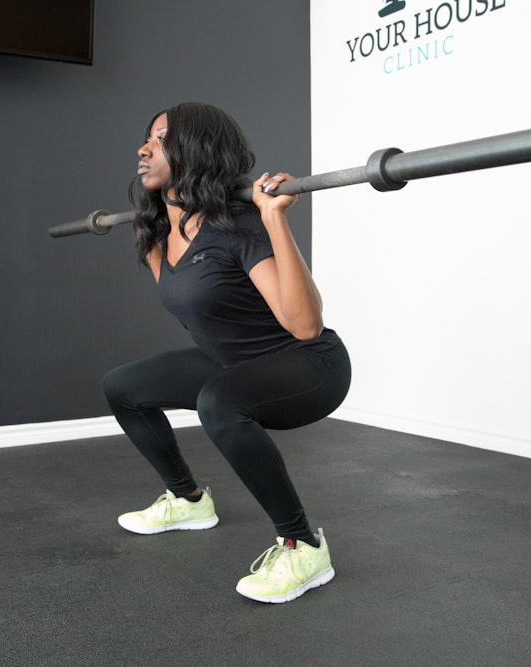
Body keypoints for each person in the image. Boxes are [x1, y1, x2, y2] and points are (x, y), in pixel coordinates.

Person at [102, 102, 351, 604]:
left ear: (197, 150)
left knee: (219, 401)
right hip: (234, 363)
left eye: (162, 139)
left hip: (309, 364)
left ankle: (303, 546)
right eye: (146, 137)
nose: (144, 148)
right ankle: (189, 500)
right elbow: (194, 310)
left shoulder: (238, 226)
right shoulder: (158, 233)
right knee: (123, 387)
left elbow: (304, 325)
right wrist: (161, 214)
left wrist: (272, 218)